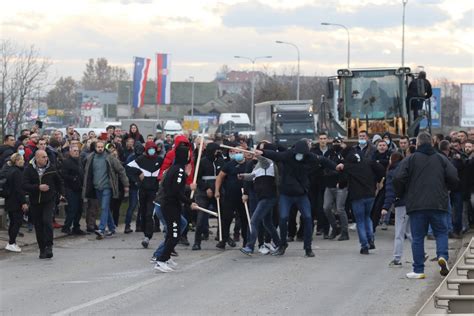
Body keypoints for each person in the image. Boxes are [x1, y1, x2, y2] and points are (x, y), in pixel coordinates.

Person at [255, 139, 338, 257]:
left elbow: (324, 160)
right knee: (283, 218)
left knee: (308, 218)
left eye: (302, 154)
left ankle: (308, 248)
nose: (300, 156)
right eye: (298, 153)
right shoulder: (289, 154)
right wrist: (262, 152)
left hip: (301, 194)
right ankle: (282, 244)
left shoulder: (310, 156)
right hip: (286, 194)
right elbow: (276, 155)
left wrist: (336, 166)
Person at [393, 132, 458, 279]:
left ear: (417, 144)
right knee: (441, 232)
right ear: (432, 143)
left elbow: (397, 177)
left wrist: (402, 192)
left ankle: (418, 270)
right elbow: (453, 175)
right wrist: (447, 188)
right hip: (438, 202)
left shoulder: (411, 159)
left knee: (417, 237)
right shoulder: (441, 158)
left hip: (417, 204)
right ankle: (442, 256)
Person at [153, 144, 197, 273]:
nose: (190, 157)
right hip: (170, 206)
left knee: (173, 233)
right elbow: (176, 192)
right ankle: (161, 260)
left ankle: (165, 258)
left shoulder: (176, 169)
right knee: (175, 235)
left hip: (173, 205)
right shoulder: (178, 171)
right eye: (188, 154)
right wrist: (190, 202)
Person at [336, 148, 385, 254]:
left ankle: (364, 245)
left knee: (360, 220)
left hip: (356, 196)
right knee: (367, 217)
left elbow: (343, 181)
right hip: (370, 194)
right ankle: (370, 239)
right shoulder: (368, 161)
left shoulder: (348, 166)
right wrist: (377, 180)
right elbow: (381, 169)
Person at [83, 140, 129, 239]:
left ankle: (101, 229)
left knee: (104, 207)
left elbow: (121, 170)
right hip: (96, 187)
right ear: (95, 147)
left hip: (107, 187)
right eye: (98, 147)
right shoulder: (91, 158)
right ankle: (112, 228)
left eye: (101, 146)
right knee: (106, 208)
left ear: (104, 147)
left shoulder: (110, 158)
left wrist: (126, 185)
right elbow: (87, 173)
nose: (100, 148)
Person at [23, 150, 64, 259]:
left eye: (46, 156)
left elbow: (59, 182)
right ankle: (42, 248)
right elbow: (24, 185)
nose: (46, 159)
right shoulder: (29, 169)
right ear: (37, 158)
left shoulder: (51, 168)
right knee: (39, 225)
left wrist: (61, 194)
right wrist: (38, 187)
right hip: (35, 201)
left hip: (48, 200)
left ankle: (49, 246)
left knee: (47, 221)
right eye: (43, 157)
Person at [239, 153, 281, 255]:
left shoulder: (269, 163)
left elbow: (264, 161)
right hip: (263, 197)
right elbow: (253, 175)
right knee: (267, 223)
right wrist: (243, 176)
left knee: (254, 221)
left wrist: (258, 155)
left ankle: (250, 246)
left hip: (268, 197)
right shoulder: (258, 165)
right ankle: (280, 244)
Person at [127, 141, 163, 248]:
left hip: (154, 192)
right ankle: (144, 231)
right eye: (149, 149)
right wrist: (138, 177)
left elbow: (167, 168)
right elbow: (128, 168)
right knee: (143, 213)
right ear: (146, 150)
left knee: (149, 214)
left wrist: (161, 180)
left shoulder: (160, 160)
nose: (152, 151)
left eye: (153, 148)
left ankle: (147, 237)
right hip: (142, 191)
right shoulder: (141, 160)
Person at [214, 145, 249, 249]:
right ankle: (223, 239)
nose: (237, 154)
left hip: (243, 197)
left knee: (244, 219)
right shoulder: (229, 164)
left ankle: (246, 241)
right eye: (235, 152)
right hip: (230, 196)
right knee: (226, 218)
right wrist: (217, 190)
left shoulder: (248, 165)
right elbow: (220, 177)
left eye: (239, 152)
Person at [192, 142, 224, 250]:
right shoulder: (202, 162)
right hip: (203, 192)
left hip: (218, 191)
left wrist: (218, 190)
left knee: (222, 214)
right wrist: (206, 188)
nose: (218, 152)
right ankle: (197, 241)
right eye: (216, 150)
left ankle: (223, 238)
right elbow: (198, 178)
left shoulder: (220, 161)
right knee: (201, 217)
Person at [381, 152, 411, 267]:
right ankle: (421, 254)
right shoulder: (406, 170)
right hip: (411, 203)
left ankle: (397, 258)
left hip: (401, 205)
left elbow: (390, 191)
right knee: (409, 231)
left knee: (399, 232)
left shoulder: (392, 172)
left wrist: (385, 207)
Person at [322, 138, 350, 241]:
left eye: (339, 143)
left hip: (341, 185)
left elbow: (346, 169)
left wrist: (340, 179)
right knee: (326, 207)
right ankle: (335, 227)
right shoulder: (328, 153)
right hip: (329, 185)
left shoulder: (345, 154)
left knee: (340, 209)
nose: (336, 144)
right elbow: (323, 165)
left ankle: (345, 232)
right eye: (335, 143)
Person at [2, 154, 28, 252]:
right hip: (16, 201)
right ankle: (11, 243)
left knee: (13, 222)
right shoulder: (17, 172)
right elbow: (19, 189)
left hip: (10, 200)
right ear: (17, 161)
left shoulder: (10, 170)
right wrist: (23, 202)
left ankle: (11, 242)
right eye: (21, 159)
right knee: (16, 223)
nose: (23, 161)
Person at [61, 144, 86, 235]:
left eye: (77, 151)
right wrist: (73, 178)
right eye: (74, 151)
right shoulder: (66, 162)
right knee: (72, 209)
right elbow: (63, 175)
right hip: (71, 189)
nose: (76, 152)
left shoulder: (79, 161)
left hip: (79, 188)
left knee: (79, 209)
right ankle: (66, 226)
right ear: (70, 151)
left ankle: (76, 227)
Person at [407, 71, 432, 136]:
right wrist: (424, 98)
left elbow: (408, 91)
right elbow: (430, 94)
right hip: (419, 101)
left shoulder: (413, 81)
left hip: (410, 101)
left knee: (408, 115)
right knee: (417, 118)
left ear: (419, 75)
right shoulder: (427, 82)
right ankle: (415, 134)